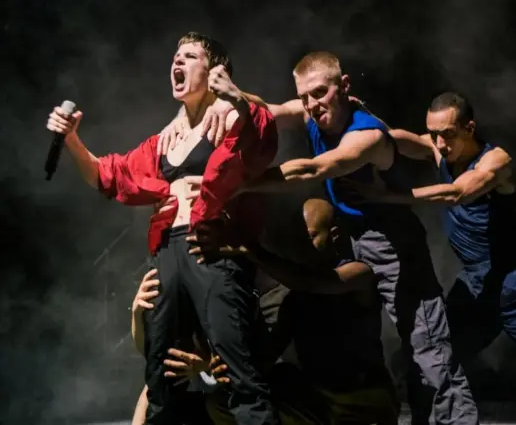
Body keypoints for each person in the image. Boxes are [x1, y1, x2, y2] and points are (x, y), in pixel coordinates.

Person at [164, 51, 478, 424]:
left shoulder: (366, 136)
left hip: (392, 244)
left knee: (428, 349)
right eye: (307, 96)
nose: (313, 104)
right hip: (351, 236)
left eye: (321, 93)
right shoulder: (312, 111)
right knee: (310, 304)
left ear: (344, 87)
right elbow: (272, 111)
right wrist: (235, 96)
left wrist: (234, 187)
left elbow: (313, 169)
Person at [45, 32, 279, 424]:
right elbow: (110, 176)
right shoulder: (163, 141)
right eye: (175, 56)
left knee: (239, 373)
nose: (178, 62)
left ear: (214, 70)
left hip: (211, 251)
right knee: (161, 374)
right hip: (167, 253)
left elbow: (263, 136)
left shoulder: (232, 116)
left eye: (189, 56)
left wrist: (235, 96)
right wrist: (71, 139)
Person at [344, 91, 516, 401]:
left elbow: (457, 193)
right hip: (476, 288)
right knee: (432, 358)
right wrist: (361, 119)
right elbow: (391, 139)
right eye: (432, 134)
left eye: (447, 135)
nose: (438, 144)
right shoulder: (440, 150)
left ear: (469, 128)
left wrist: (388, 197)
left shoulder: (496, 161)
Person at [190, 198, 400, 425]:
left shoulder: (360, 275)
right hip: (319, 402)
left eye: (309, 236)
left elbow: (312, 282)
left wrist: (250, 250)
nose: (301, 246)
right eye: (298, 239)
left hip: (363, 399)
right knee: (226, 401)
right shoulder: (292, 297)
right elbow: (263, 360)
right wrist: (218, 364)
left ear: (335, 234)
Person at [130, 268, 230, 425]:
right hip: (189, 394)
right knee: (153, 388)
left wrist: (203, 366)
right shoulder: (177, 310)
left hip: (222, 399)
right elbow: (146, 349)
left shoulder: (218, 303)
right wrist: (137, 313)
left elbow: (238, 366)